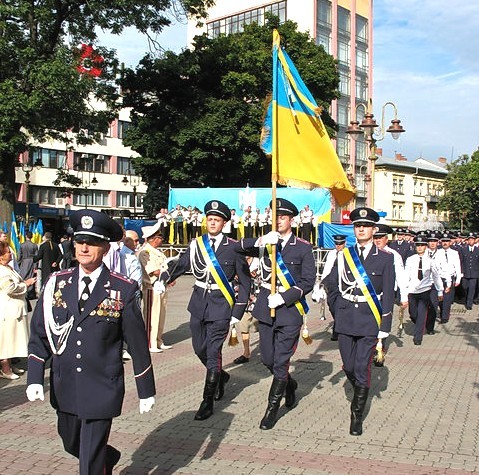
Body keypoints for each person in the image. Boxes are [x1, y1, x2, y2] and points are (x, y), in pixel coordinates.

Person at [26, 209, 155, 475]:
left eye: (92, 242)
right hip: (66, 385)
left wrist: (145, 389)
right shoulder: (56, 284)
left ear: (105, 248)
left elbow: (137, 342)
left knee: (89, 462)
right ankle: (108, 456)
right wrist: (35, 376)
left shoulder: (123, 288)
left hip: (101, 385)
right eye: (80, 241)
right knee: (71, 441)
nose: (84, 248)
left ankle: (98, 461)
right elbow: (39, 333)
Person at [161, 200, 250, 421]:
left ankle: (207, 400)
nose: (212, 222)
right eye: (209, 219)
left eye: (217, 220)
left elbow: (246, 282)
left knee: (213, 352)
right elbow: (180, 264)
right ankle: (221, 376)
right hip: (198, 304)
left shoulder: (234, 247)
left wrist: (238, 311)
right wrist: (164, 279)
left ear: (224, 223)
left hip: (221, 306)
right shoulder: (196, 245)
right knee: (199, 348)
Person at [239, 198, 316, 430]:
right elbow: (236, 246)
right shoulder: (266, 243)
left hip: (289, 311)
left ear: (291, 220)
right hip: (265, 308)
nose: (278, 220)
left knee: (281, 362)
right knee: (267, 359)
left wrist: (284, 297)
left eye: (282, 217)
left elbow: (308, 281)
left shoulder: (303, 247)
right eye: (274, 216)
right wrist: (260, 240)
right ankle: (289, 385)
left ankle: (271, 410)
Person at [322, 207, 395, 436]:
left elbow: (389, 293)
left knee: (361, 366)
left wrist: (385, 326)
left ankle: (357, 414)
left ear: (374, 230)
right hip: (346, 318)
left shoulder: (385, 258)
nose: (361, 229)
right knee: (348, 365)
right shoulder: (344, 255)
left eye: (365, 226)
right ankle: (361, 389)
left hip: (369, 319)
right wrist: (337, 310)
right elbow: (331, 283)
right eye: (357, 226)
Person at [0, 241, 36, 379]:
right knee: (5, 341)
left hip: (14, 311)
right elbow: (10, 288)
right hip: (7, 311)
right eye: (8, 252)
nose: (11, 254)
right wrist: (25, 285)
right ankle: (5, 369)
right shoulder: (2, 271)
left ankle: (9, 365)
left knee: (11, 340)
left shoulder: (7, 268)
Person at [404, 233, 444, 345]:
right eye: (418, 245)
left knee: (422, 314)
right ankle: (419, 324)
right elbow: (406, 275)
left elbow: (436, 276)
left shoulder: (431, 261)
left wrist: (440, 290)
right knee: (413, 314)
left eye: (422, 245)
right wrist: (404, 291)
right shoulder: (410, 259)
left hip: (425, 291)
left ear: (425, 246)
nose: (420, 247)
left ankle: (418, 338)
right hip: (412, 291)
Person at [138, 223, 171, 353]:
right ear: (153, 238)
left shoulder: (157, 252)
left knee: (161, 314)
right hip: (151, 288)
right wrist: (168, 273)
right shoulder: (145, 252)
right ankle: (150, 342)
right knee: (152, 316)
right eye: (159, 237)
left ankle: (158, 340)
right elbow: (153, 271)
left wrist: (169, 278)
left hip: (161, 286)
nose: (161, 239)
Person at [321, 234, 347, 341]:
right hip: (330, 284)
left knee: (338, 307)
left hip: (341, 285)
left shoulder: (348, 254)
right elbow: (327, 268)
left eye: (340, 244)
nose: (338, 245)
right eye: (336, 243)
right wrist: (322, 283)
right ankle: (339, 324)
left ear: (344, 243)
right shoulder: (331, 254)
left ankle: (337, 330)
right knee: (331, 306)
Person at [437, 232, 462, 323]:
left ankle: (445, 317)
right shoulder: (438, 252)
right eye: (443, 241)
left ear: (450, 242)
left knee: (447, 298)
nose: (445, 243)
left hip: (450, 278)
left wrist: (458, 278)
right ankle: (442, 311)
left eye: (447, 241)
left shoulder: (454, 253)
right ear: (441, 242)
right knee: (440, 298)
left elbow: (457, 266)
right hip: (440, 278)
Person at [459, 233, 479, 310]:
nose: (471, 241)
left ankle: (469, 304)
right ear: (467, 241)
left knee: (472, 288)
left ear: (474, 240)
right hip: (465, 272)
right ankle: (467, 297)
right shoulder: (463, 249)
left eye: (472, 239)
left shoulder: (477, 250)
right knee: (465, 287)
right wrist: (461, 271)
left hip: (474, 273)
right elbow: (461, 261)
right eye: (469, 239)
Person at [18, 230, 38, 300]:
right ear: (32, 237)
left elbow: (19, 256)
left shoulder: (22, 245)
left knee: (23, 276)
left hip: (24, 261)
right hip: (32, 261)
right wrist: (36, 266)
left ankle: (25, 292)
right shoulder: (34, 245)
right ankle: (31, 293)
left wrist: (18, 264)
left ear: (26, 236)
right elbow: (36, 256)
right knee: (31, 276)